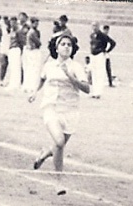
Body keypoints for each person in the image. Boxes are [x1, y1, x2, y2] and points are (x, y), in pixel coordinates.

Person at [29, 34, 89, 172]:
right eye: (63, 44)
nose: (66, 47)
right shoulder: (49, 66)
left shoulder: (76, 67)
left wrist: (70, 77)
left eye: (69, 45)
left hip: (70, 111)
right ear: (56, 49)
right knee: (60, 142)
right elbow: (42, 79)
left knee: (58, 145)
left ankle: (45, 154)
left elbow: (86, 89)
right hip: (51, 108)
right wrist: (34, 92)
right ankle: (58, 180)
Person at [89, 21, 114, 98]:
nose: (94, 27)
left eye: (95, 26)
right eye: (93, 26)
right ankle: (94, 92)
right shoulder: (92, 35)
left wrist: (106, 51)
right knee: (94, 73)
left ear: (98, 26)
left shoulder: (102, 35)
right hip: (93, 55)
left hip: (99, 55)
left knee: (99, 74)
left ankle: (98, 92)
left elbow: (112, 43)